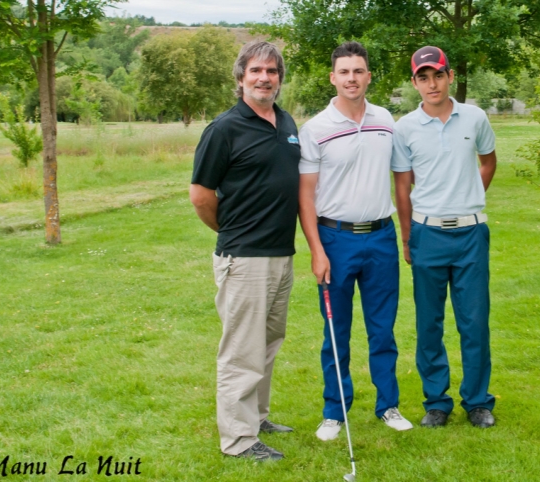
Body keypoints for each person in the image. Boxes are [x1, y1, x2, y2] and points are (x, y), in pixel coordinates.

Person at [190, 41, 300, 462]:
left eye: (272, 71)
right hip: (245, 257)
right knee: (242, 350)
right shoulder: (224, 129)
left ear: (279, 79)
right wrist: (233, 231)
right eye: (256, 71)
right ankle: (238, 439)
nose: (264, 78)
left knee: (269, 342)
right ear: (240, 79)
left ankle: (256, 417)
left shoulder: (286, 122)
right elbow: (200, 195)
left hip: (280, 254)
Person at [299, 41, 413, 441]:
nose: (352, 78)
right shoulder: (315, 129)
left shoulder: (386, 120)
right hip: (335, 239)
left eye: (358, 71)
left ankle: (389, 405)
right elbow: (305, 196)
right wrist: (316, 250)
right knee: (336, 331)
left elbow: (402, 180)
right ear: (333, 77)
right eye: (344, 71)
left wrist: (405, 234)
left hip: (380, 237)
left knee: (383, 330)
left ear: (368, 76)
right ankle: (335, 410)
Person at [392, 46, 498, 429]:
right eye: (423, 77)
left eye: (437, 75)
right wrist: (407, 237)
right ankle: (437, 402)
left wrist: (470, 194)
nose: (431, 83)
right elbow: (402, 187)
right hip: (426, 234)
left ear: (450, 76)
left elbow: (488, 161)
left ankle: (478, 402)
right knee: (429, 323)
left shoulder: (475, 117)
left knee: (474, 321)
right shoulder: (404, 128)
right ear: (415, 83)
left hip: (471, 233)